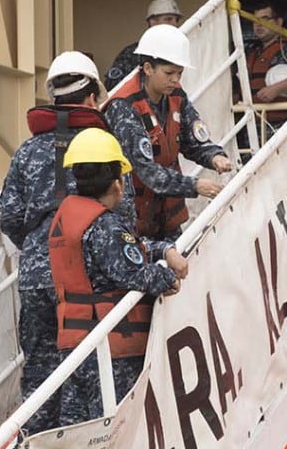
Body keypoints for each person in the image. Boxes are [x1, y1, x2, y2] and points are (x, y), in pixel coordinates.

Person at [0, 51, 109, 434]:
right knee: (86, 369)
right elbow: (116, 207)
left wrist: (35, 249)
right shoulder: (100, 145)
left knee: (41, 369)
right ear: (92, 96)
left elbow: (9, 215)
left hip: (34, 276)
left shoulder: (27, 151)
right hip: (82, 274)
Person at [48, 128, 189, 425]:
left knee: (80, 434)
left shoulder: (67, 217)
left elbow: (128, 250)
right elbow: (134, 273)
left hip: (75, 346)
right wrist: (168, 277)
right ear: (117, 183)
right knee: (117, 433)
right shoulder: (105, 226)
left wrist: (163, 250)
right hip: (110, 351)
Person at [104, 23, 236, 240]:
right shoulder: (124, 107)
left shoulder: (176, 96)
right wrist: (195, 186)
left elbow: (193, 141)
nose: (176, 80)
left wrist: (215, 156)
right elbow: (147, 172)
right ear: (148, 69)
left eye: (180, 73)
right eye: (169, 73)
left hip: (166, 219)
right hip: (131, 222)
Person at [106, 0, 184, 90]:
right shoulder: (132, 53)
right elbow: (113, 87)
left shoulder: (183, 51)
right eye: (156, 19)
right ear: (151, 22)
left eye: (173, 19)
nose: (174, 24)